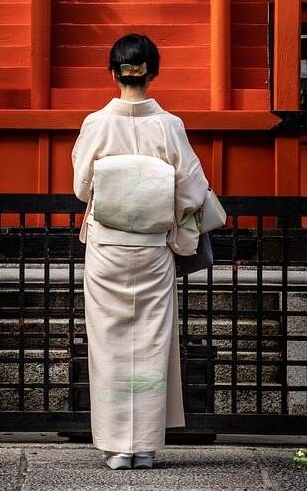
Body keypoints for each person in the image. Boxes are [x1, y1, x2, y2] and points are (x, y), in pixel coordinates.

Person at [71, 33, 209, 470]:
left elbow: (80, 189)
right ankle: (144, 446)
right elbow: (191, 192)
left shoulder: (97, 122)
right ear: (153, 72)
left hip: (108, 246)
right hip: (151, 247)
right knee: (151, 340)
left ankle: (116, 447)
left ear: (114, 73)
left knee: (109, 342)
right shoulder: (170, 125)